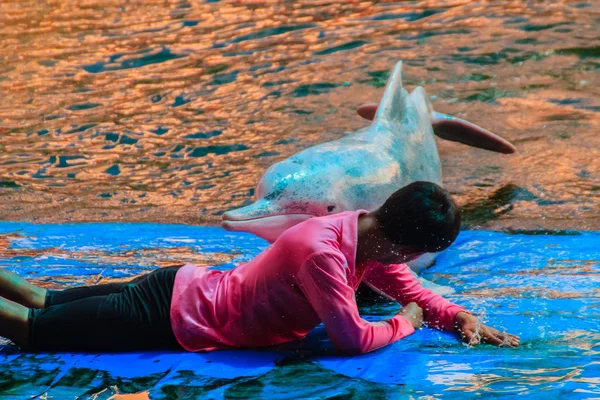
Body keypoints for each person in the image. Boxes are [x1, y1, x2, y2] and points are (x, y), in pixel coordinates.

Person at [0, 181, 519, 353]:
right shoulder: (325, 252)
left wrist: (457, 316)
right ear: (400, 242)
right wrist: (405, 323)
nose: (409, 265)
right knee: (32, 331)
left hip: (183, 288)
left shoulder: (365, 236)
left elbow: (410, 287)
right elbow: (351, 337)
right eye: (413, 254)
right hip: (175, 317)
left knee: (43, 302)